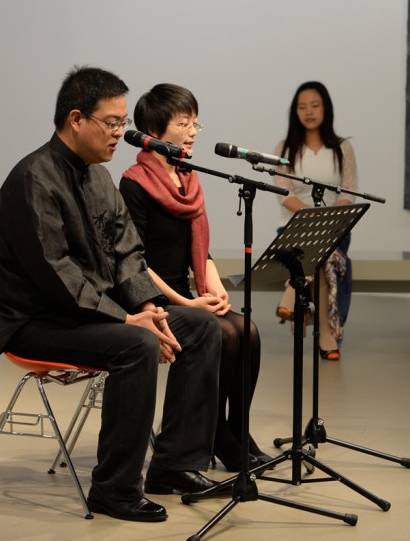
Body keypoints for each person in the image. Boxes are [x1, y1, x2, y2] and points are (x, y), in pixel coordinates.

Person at [0, 66, 221, 524]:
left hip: (92, 314)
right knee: (137, 344)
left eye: (122, 123)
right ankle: (114, 489)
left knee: (199, 325)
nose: (121, 133)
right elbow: (57, 275)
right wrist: (127, 320)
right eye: (112, 123)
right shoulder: (33, 179)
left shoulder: (97, 177)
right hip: (40, 321)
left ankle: (174, 465)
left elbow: (128, 252)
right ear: (76, 119)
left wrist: (149, 307)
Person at [120, 83, 271, 472]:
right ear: (155, 130)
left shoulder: (188, 179)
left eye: (195, 124)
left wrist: (216, 291)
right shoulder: (133, 183)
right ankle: (214, 432)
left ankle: (236, 429)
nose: (192, 132)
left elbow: (200, 252)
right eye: (183, 123)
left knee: (246, 331)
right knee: (221, 332)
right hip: (151, 298)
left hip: (189, 295)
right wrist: (188, 303)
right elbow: (135, 261)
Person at [273, 81, 358, 360]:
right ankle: (327, 334)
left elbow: (349, 191)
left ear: (326, 108)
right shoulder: (285, 148)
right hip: (295, 227)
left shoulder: (342, 147)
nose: (308, 111)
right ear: (295, 111)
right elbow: (284, 193)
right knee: (322, 259)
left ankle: (291, 294)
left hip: (334, 228)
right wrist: (311, 218)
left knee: (320, 252)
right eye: (302, 107)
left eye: (315, 105)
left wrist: (327, 220)